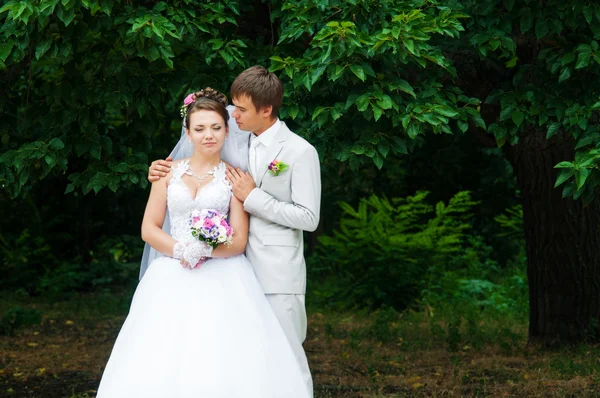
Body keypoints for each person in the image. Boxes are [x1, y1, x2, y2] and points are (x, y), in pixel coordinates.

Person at [97, 88, 310, 398]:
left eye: (216, 127)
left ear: (227, 130)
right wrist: (182, 249)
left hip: (224, 273)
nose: (208, 135)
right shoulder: (166, 173)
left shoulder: (235, 176)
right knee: (163, 351)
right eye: (199, 128)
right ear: (188, 132)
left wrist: (206, 249)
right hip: (171, 273)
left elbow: (237, 241)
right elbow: (149, 228)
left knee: (222, 353)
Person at [148, 66, 321, 397]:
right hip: (230, 274)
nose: (233, 114)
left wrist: (252, 197)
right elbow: (196, 165)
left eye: (240, 109)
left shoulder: (298, 151)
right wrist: (158, 171)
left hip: (273, 273)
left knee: (287, 359)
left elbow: (309, 217)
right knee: (244, 365)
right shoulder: (240, 144)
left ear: (266, 109)